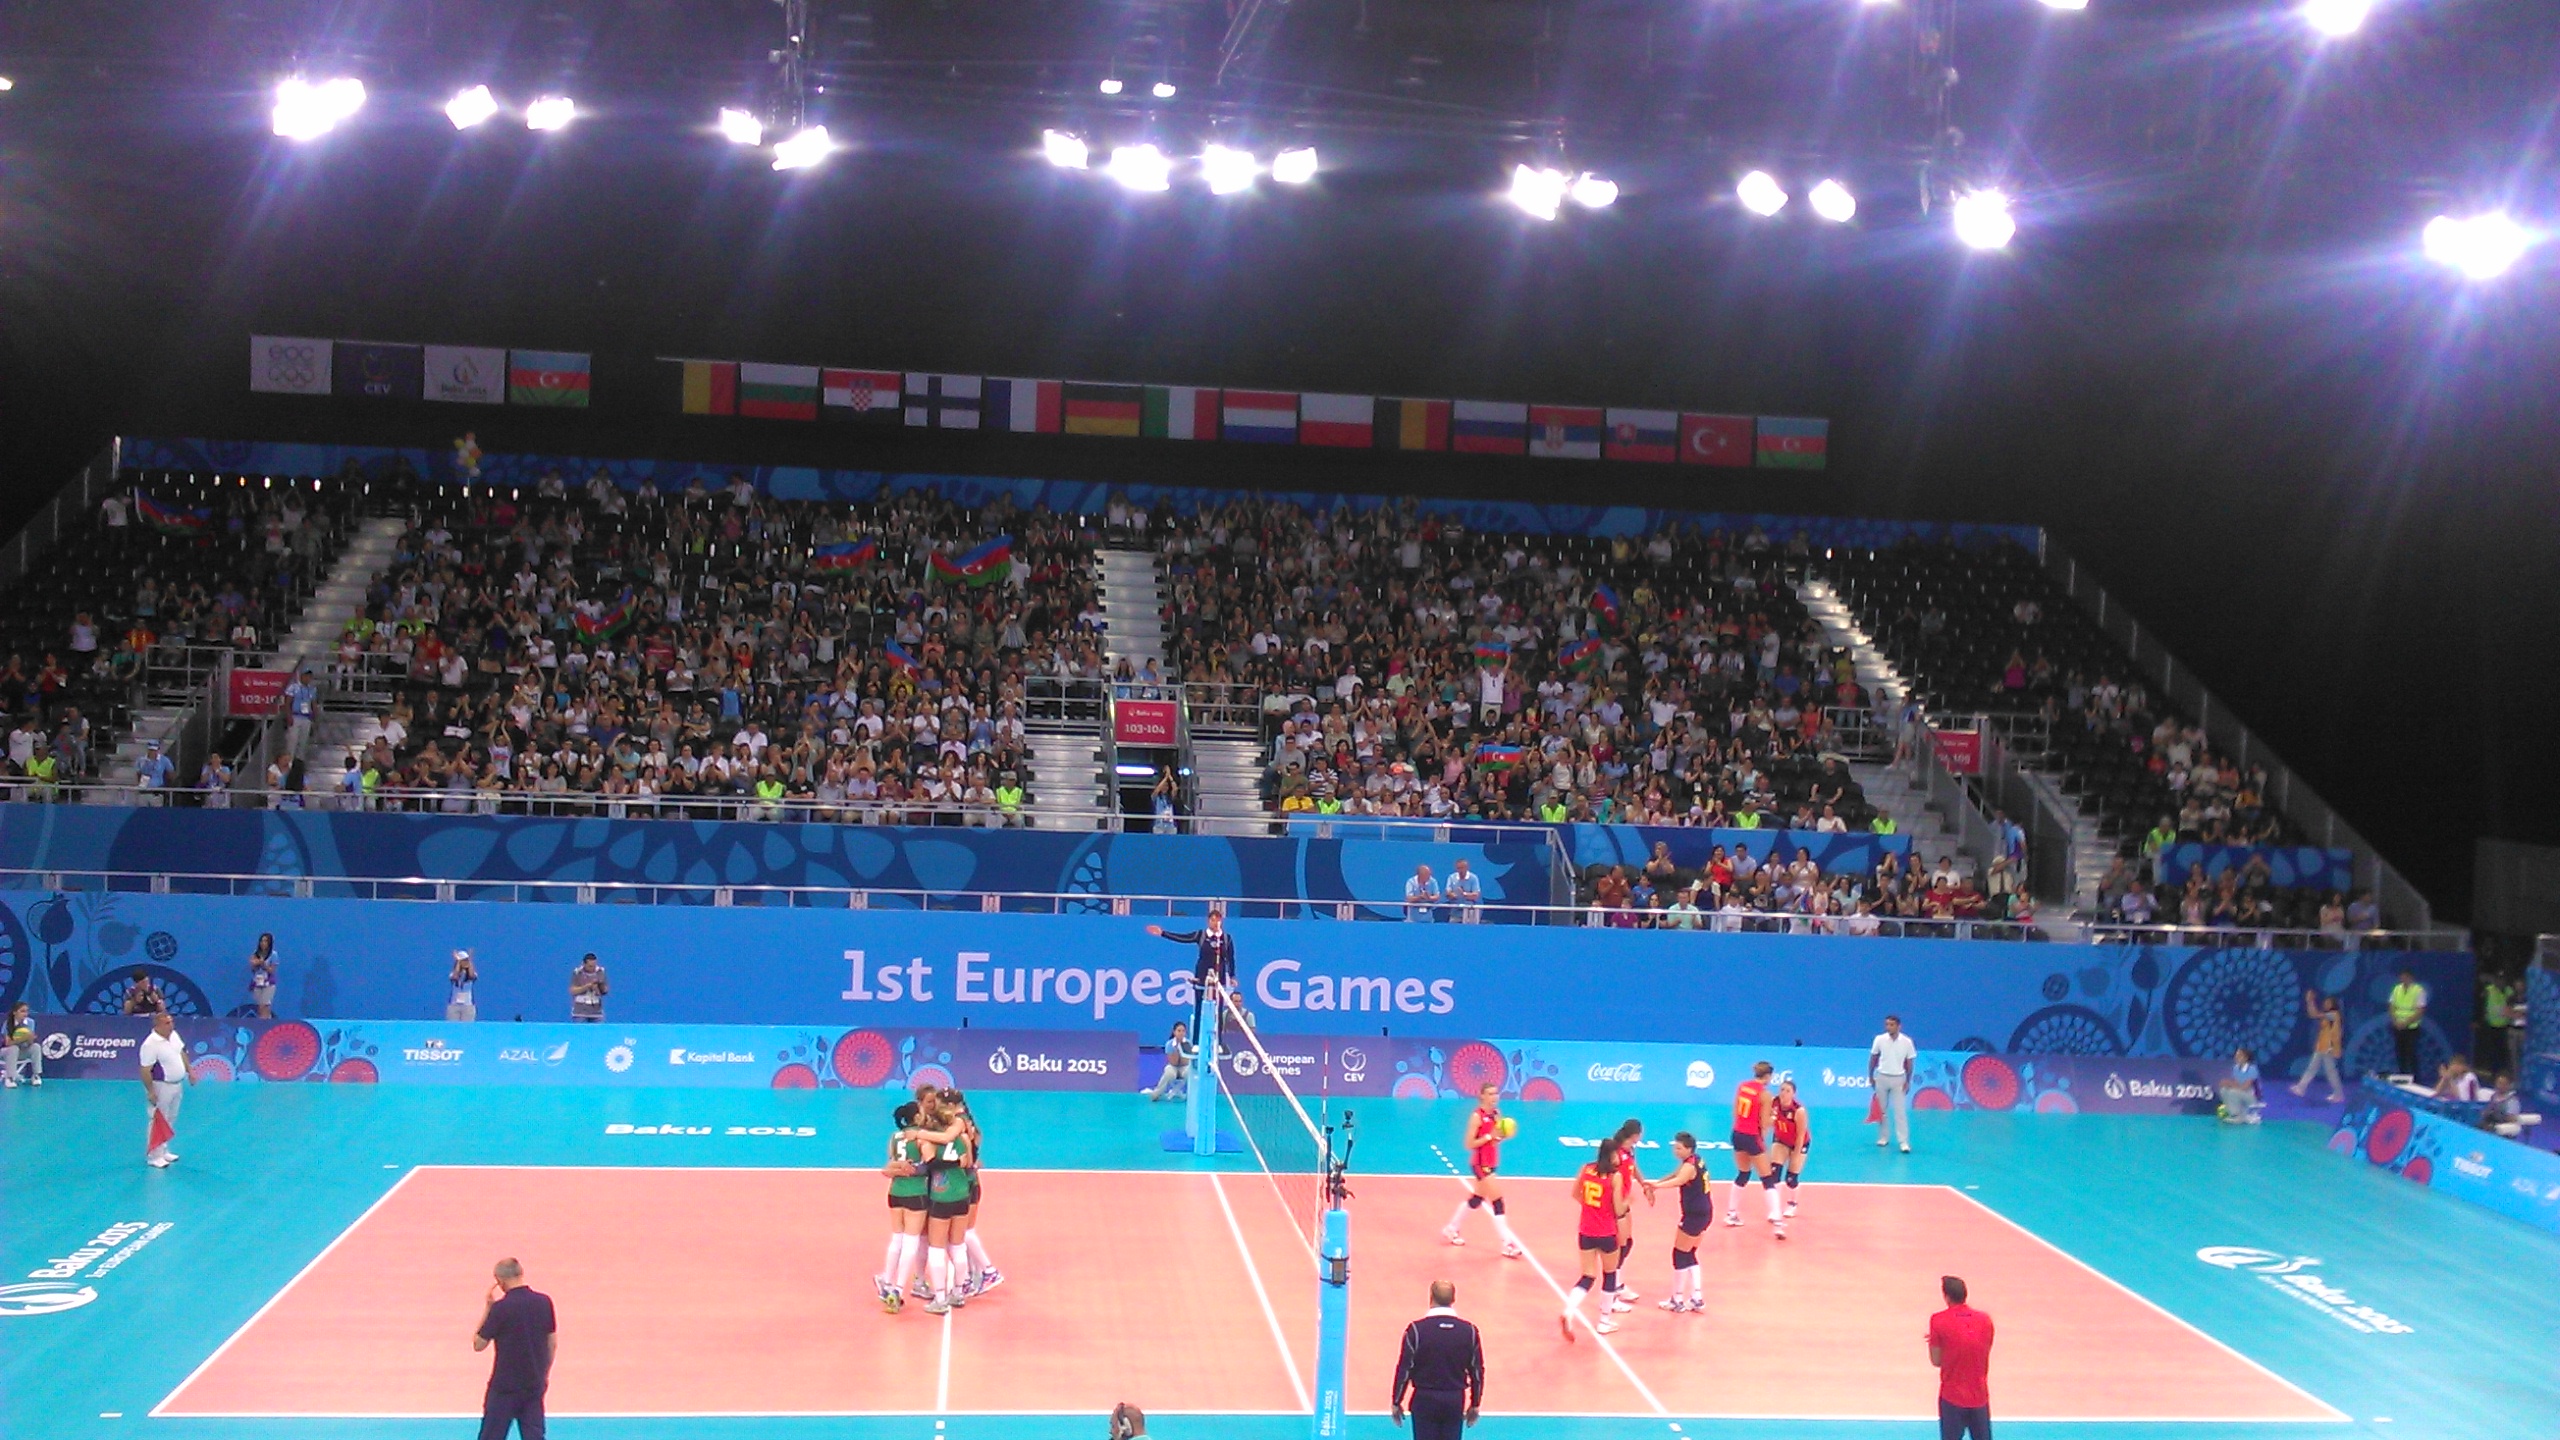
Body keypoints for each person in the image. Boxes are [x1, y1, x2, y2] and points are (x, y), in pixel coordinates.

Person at [473, 1257, 557, 1440]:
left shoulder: (501, 1308)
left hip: (504, 1387)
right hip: (534, 1384)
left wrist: (488, 1308)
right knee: (534, 1436)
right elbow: (552, 1343)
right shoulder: (544, 1302)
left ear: (500, 1281)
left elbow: (478, 1344)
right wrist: (543, 1374)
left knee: (491, 1436)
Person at [1391, 1279, 1485, 1440]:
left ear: (1431, 1297)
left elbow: (1405, 1369)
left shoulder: (1416, 1330)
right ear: (1453, 1299)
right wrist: (1475, 1403)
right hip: (1454, 1400)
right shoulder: (1469, 1331)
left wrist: (1396, 1400)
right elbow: (1477, 1371)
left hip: (1424, 1399)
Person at [1442, 1082, 1526, 1257]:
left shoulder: (1497, 1114)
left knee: (1476, 1200)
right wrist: (1489, 1136)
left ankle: (1451, 1228)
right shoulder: (1476, 1117)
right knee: (1498, 1201)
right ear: (1482, 1096)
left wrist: (1503, 1136)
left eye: (1496, 1093)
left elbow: (1495, 1141)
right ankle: (1507, 1244)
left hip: (1492, 1161)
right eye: (1490, 1094)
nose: (1494, 1097)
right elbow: (1469, 1144)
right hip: (1481, 1164)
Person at [1560, 1135, 1626, 1339]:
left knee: (1588, 1276)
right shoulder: (1615, 1177)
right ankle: (1604, 1321)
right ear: (1612, 1155)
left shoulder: (1586, 1169)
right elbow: (1618, 1209)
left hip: (1586, 1230)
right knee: (1610, 1274)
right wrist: (1628, 1202)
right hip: (1606, 1231)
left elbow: (1575, 1194)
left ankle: (1569, 1311)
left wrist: (1591, 1209)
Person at [1145, 908, 1238, 1037]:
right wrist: (1163, 933)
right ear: (1208, 921)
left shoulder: (1226, 938)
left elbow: (1230, 958)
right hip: (1202, 976)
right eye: (1212, 920)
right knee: (1199, 1009)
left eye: (1218, 920)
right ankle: (1196, 1041)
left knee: (1218, 1010)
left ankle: (1219, 1041)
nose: (1215, 923)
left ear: (1221, 922)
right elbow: (1183, 938)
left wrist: (1232, 976)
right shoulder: (1201, 935)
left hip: (1219, 977)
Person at [1928, 1274, 1995, 1440]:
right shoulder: (1985, 1320)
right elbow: (1983, 1349)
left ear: (1946, 1296)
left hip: (1952, 1397)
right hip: (1979, 1397)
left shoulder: (1938, 1320)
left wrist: (1939, 1342)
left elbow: (1936, 1361)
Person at [1728, 1060, 1785, 1236]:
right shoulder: (1765, 1095)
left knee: (1743, 1174)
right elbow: (1764, 1122)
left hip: (1737, 1133)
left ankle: (1731, 1214)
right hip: (1752, 1137)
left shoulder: (1742, 1086)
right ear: (1768, 1076)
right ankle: (1778, 1222)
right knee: (1767, 1179)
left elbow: (1735, 1112)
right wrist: (1774, 1118)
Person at [1656, 1132, 1712, 1313]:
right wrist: (1657, 1182)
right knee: (1689, 1254)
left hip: (1694, 1215)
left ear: (1689, 1149)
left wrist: (1656, 1187)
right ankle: (1697, 1298)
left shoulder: (1689, 1167)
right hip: (1704, 1212)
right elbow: (1676, 1174)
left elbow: (1679, 1180)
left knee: (1679, 1255)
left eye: (1679, 1148)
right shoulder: (1695, 1160)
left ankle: (1677, 1299)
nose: (1675, 1151)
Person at [139, 1010, 191, 1167]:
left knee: (170, 1119)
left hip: (177, 1084)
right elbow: (145, 1069)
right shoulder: (150, 1044)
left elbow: (181, 1052)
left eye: (171, 1022)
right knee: (158, 1120)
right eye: (167, 1023)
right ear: (158, 1025)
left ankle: (163, 1150)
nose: (171, 1025)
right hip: (161, 1086)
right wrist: (150, 1091)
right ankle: (153, 1156)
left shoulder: (174, 1035)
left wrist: (190, 1071)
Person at [1871, 1015, 1917, 1152]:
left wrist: (1908, 1081)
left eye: (1891, 1025)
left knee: (1900, 1112)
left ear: (1898, 1026)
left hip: (1899, 1079)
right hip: (1882, 1077)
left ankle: (1903, 1142)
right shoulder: (1879, 1039)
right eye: (1887, 1024)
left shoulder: (1907, 1042)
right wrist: (1870, 1076)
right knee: (1881, 1110)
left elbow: (1909, 1063)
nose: (1888, 1027)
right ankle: (1883, 1137)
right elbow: (1873, 1058)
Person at [2291, 990, 2346, 1102]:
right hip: (2321, 1046)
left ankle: (2338, 1094)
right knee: (2313, 1068)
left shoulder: (2334, 1014)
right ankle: (2301, 1088)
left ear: (2333, 1004)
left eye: (2328, 1002)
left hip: (2328, 1047)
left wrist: (2310, 1001)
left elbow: (2315, 1014)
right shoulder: (2329, 1016)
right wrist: (2309, 1001)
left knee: (2330, 1072)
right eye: (2325, 1002)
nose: (2325, 1004)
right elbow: (2312, 1014)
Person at [1770, 1077, 1812, 1218]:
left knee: (1791, 1178)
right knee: (1774, 1173)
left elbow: (1801, 1135)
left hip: (1798, 1143)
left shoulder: (1798, 1111)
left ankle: (1792, 1204)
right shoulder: (1773, 1103)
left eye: (1788, 1091)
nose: (1784, 1093)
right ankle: (1775, 1208)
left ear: (1793, 1094)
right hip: (1781, 1140)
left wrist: (1796, 1153)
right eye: (1782, 1089)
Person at [2387, 970, 2427, 1079]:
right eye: (2401, 977)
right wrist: (2395, 1021)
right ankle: (2403, 1076)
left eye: (2405, 977)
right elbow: (2391, 1006)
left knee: (2411, 1053)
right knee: (2400, 1053)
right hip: (2397, 1027)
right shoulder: (2396, 989)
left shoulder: (2418, 990)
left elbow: (2420, 1010)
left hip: (2411, 1028)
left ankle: (2416, 1078)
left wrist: (2405, 1022)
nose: (2403, 979)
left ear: (2411, 978)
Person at [1142, 1021, 1194, 1102]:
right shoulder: (1169, 1044)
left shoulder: (1188, 1044)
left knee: (1190, 1072)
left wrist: (1182, 1050)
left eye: (1183, 1031)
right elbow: (1173, 1062)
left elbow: (1186, 1061)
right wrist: (1177, 1050)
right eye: (1179, 1031)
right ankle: (1156, 1094)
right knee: (1169, 1073)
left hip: (1184, 1066)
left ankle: (1194, 1095)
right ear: (1174, 1032)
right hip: (1173, 1066)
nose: (1181, 1033)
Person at [2218, 1047, 2262, 1123]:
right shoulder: (2235, 1068)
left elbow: (2245, 1087)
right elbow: (2236, 1083)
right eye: (2236, 1055)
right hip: (2240, 1093)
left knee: (2233, 1092)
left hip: (2251, 1096)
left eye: (2239, 1055)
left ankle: (2238, 1116)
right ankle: (2232, 1113)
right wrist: (2226, 1083)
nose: (2236, 1057)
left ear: (2246, 1058)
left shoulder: (2252, 1069)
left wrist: (2230, 1084)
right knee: (2224, 1090)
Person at [5, 1002, 42, 1087]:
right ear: (14, 1012)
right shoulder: (8, 1023)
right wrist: (23, 1038)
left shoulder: (30, 1022)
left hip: (22, 1051)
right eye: (22, 1011)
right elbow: (7, 1043)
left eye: (26, 1011)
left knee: (36, 1047)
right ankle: (10, 1078)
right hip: (7, 1053)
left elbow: (30, 1043)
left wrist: (30, 1039)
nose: (25, 1014)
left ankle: (36, 1075)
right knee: (13, 1048)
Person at [247, 933, 279, 1019]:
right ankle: (266, 1021)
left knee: (264, 1005)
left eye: (265, 941)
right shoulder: (255, 953)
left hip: (268, 983)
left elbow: (272, 970)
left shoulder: (273, 954)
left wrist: (263, 964)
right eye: (261, 941)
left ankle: (264, 1023)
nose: (263, 943)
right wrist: (254, 964)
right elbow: (253, 969)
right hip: (257, 983)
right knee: (260, 1007)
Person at [569, 953, 607, 1023]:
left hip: (596, 1011)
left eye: (594, 966)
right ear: (584, 964)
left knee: (599, 1029)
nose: (592, 968)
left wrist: (599, 987)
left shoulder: (600, 972)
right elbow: (573, 991)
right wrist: (587, 987)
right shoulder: (578, 973)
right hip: (580, 1011)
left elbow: (605, 991)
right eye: (590, 966)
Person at [1444, 859, 1483, 924]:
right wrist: (1452, 895)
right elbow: (1448, 892)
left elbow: (1476, 895)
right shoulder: (1451, 877)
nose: (1460, 870)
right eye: (1458, 868)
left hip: (1469, 912)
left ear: (1467, 868)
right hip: (1455, 912)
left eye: (1462, 868)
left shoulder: (1473, 878)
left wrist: (1464, 894)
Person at [450, 950, 480, 1023]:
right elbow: (455, 976)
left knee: (467, 1028)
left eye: (466, 960)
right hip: (454, 1006)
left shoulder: (472, 974)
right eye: (463, 960)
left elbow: (471, 975)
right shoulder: (452, 974)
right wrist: (458, 962)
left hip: (468, 1006)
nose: (465, 962)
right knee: (452, 1027)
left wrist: (469, 961)